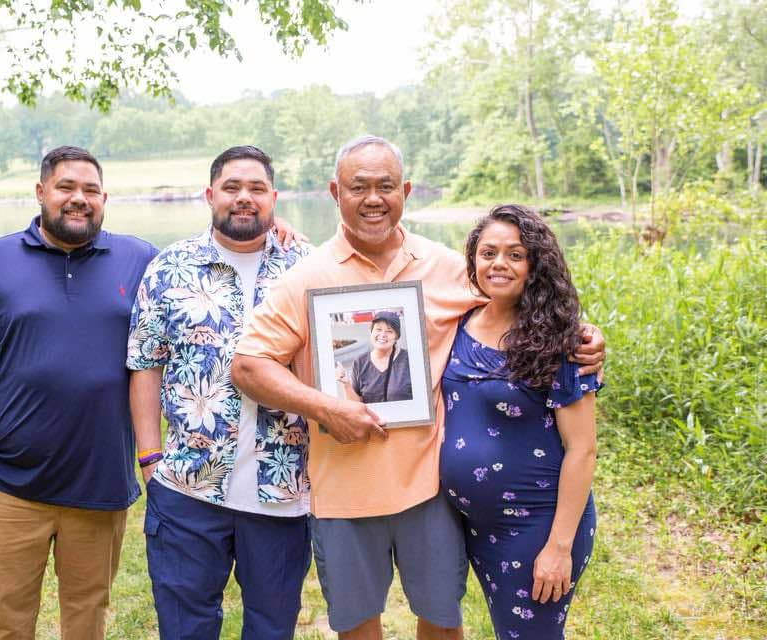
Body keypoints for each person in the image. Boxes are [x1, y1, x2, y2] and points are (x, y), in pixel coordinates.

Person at [231, 135, 605, 640]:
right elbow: (249, 366)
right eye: (358, 186)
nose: (373, 198)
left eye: (386, 185)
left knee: (442, 622)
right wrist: (325, 407)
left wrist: (583, 338)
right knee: (358, 627)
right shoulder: (305, 278)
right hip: (344, 495)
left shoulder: (449, 267)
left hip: (430, 492)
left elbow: (518, 298)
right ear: (334, 192)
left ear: (405, 190)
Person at [0, 146, 160, 639]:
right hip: (13, 482)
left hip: (100, 482)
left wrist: (274, 236)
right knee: (6, 621)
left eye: (91, 190)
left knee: (87, 617)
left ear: (104, 198)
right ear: (41, 192)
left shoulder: (140, 260)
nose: (79, 199)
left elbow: (203, 274)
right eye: (66, 188)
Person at [126, 146, 312, 640]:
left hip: (282, 489)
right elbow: (145, 363)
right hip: (187, 486)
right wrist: (149, 456)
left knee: (272, 630)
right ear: (210, 195)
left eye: (256, 189)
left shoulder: (307, 267)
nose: (244, 198)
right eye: (232, 188)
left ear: (274, 197)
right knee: (186, 628)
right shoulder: (170, 268)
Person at [440, 204, 599, 639]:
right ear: (472, 259)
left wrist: (558, 548)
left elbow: (582, 450)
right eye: (488, 252)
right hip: (476, 526)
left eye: (515, 254)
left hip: (537, 525)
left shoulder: (562, 341)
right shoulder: (459, 321)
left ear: (535, 264)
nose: (499, 264)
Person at [336, 310, 412, 403]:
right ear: (371, 331)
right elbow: (357, 404)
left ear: (396, 337)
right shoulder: (360, 362)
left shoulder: (409, 359)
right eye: (378, 329)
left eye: (389, 331)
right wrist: (346, 384)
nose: (383, 335)